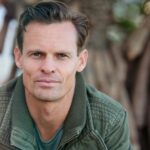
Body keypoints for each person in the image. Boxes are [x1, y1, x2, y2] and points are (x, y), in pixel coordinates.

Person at [0, 0, 132, 149]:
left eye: (62, 55)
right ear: (18, 57)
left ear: (81, 61)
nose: (48, 68)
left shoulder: (110, 120)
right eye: (37, 54)